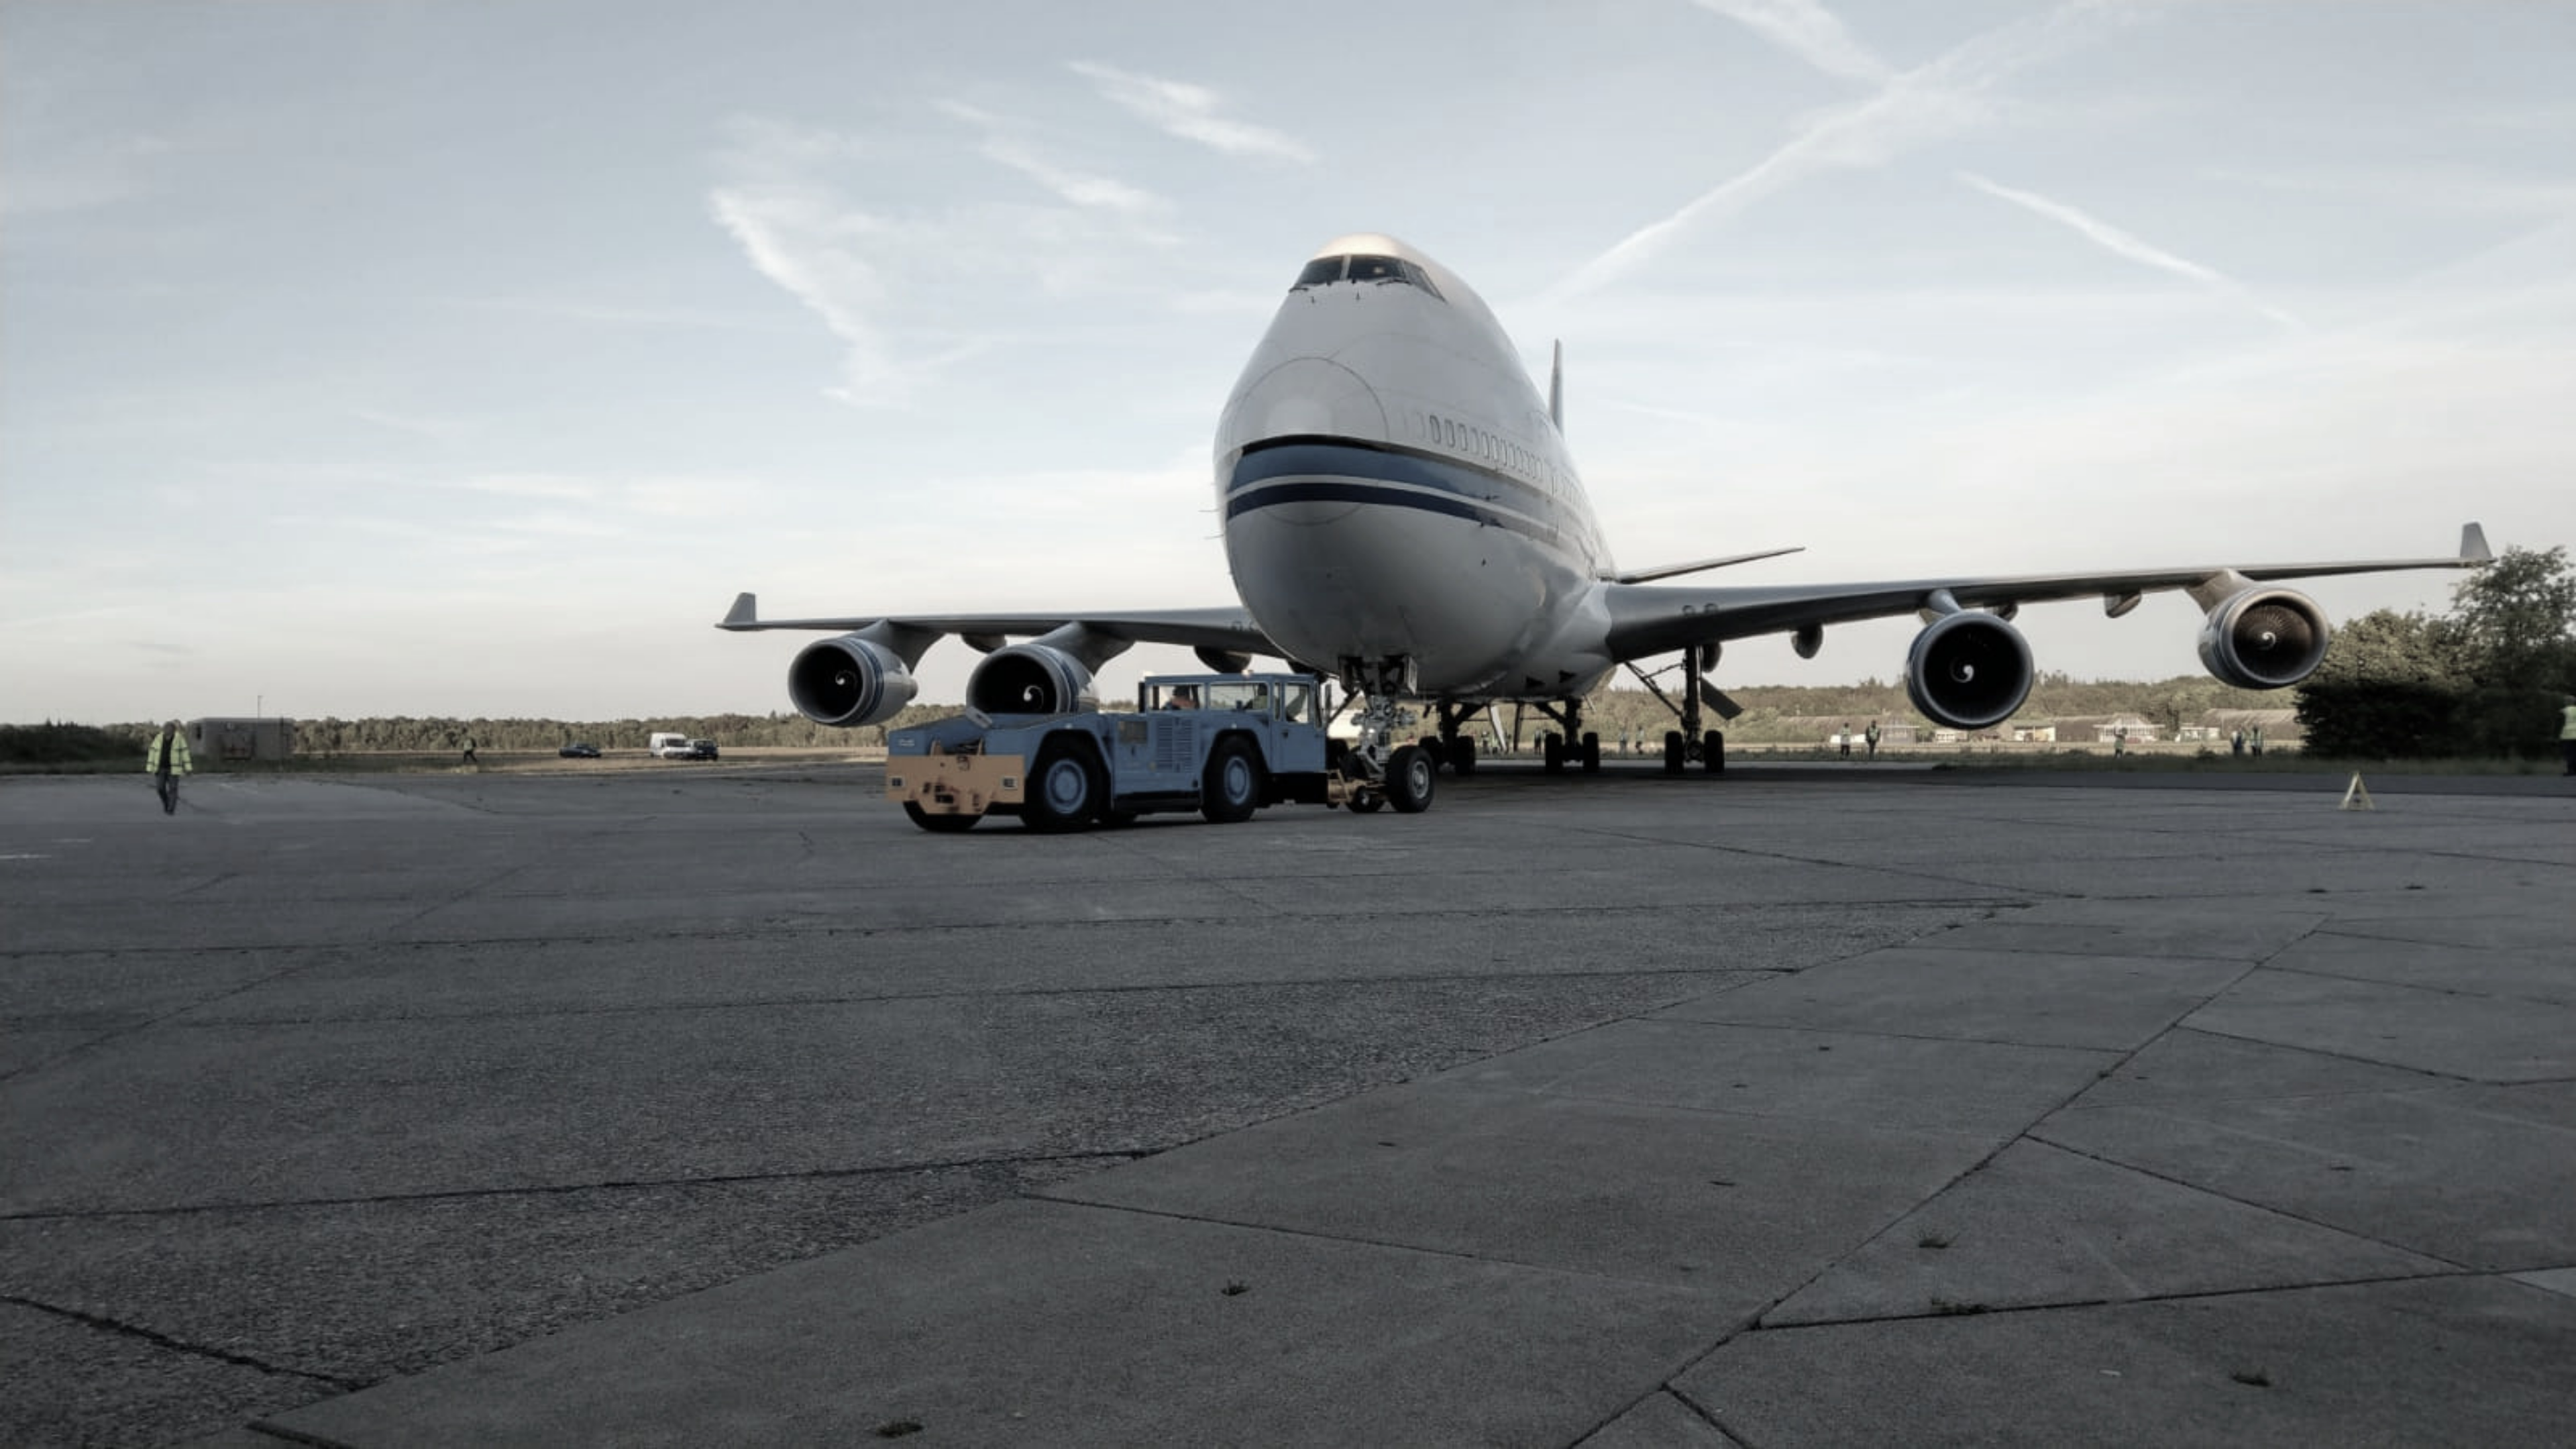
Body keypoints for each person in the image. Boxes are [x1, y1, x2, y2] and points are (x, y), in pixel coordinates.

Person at [144, 720, 191, 815]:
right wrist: (149, 767)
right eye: (165, 728)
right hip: (160, 768)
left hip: (174, 769)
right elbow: (152, 752)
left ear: (174, 730)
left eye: (169, 729)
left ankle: (171, 809)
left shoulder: (179, 739)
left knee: (173, 789)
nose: (166, 730)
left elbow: (185, 753)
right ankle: (166, 803)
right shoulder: (158, 738)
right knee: (160, 789)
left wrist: (188, 768)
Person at [2560, 694, 2576, 777]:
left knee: (2569, 754)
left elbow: (2560, 721)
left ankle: (2571, 771)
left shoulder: (2564, 710)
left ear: (2567, 702)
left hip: (2568, 735)